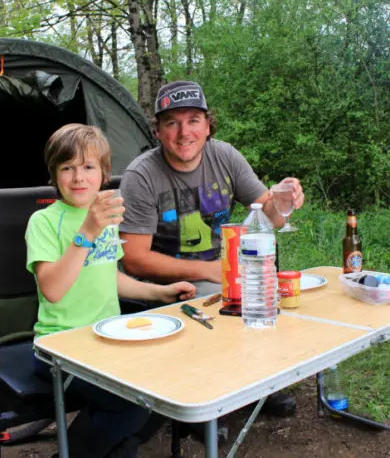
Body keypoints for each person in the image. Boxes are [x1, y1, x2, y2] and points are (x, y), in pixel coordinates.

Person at [119, 80, 305, 419]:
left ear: (207, 126)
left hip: (225, 268)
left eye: (192, 120)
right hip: (167, 282)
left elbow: (268, 214)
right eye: (171, 122)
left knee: (275, 288)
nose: (183, 132)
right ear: (158, 131)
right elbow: (134, 257)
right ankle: (209, 400)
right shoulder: (141, 175)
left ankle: (261, 381)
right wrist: (208, 270)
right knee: (228, 295)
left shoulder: (225, 156)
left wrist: (282, 200)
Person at [26, 123, 196, 458]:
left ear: (104, 174)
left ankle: (116, 450)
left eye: (88, 167)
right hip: (60, 347)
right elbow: (53, 291)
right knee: (130, 405)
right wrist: (87, 232)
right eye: (67, 168)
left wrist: (160, 293)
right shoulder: (43, 222)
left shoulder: (104, 220)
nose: (78, 178)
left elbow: (110, 278)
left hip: (109, 339)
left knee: (170, 389)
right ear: (54, 174)